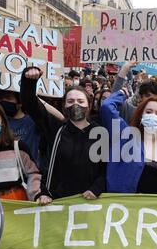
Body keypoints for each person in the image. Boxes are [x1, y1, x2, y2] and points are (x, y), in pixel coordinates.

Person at [21, 67, 106, 200]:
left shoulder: (100, 133)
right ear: (64, 106)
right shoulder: (56, 129)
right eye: (70, 101)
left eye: (80, 101)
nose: (76, 105)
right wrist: (29, 81)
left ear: (88, 106)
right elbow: (30, 104)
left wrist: (96, 188)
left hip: (89, 202)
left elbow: (105, 169)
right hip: (56, 201)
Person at [101, 91, 157, 201]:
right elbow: (106, 107)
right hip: (125, 208)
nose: (153, 116)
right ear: (140, 116)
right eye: (148, 112)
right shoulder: (127, 135)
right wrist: (122, 93)